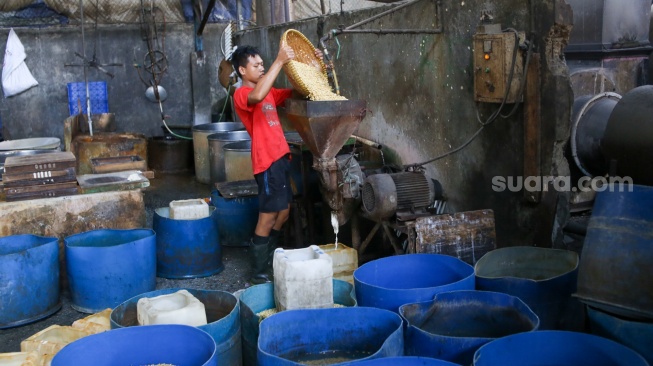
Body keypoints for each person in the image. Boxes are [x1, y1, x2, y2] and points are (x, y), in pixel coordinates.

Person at [231, 43, 323, 284]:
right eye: (256, 65)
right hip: (266, 161)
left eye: (263, 64)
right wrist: (279, 61)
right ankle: (259, 273)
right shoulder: (242, 94)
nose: (261, 68)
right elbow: (257, 95)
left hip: (281, 158)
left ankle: (271, 258)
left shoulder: (269, 90)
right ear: (242, 71)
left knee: (283, 213)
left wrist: (313, 67)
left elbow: (297, 91)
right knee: (268, 217)